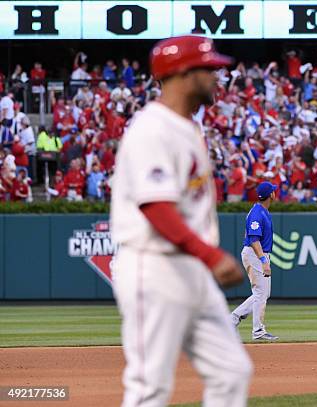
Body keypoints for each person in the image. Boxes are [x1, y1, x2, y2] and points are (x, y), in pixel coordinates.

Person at [110, 35, 252, 407]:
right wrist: (210, 255)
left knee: (231, 371)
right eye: (208, 70)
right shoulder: (151, 128)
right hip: (153, 266)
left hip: (191, 270)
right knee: (149, 388)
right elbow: (156, 209)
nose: (217, 78)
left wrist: (202, 260)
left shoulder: (187, 127)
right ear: (182, 73)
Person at [231, 181, 279, 341]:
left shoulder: (262, 211)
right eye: (273, 191)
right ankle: (258, 330)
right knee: (260, 293)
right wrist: (263, 260)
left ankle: (233, 319)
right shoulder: (257, 213)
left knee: (263, 294)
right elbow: (253, 239)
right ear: (269, 195)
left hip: (257, 254)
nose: (275, 193)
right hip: (255, 253)